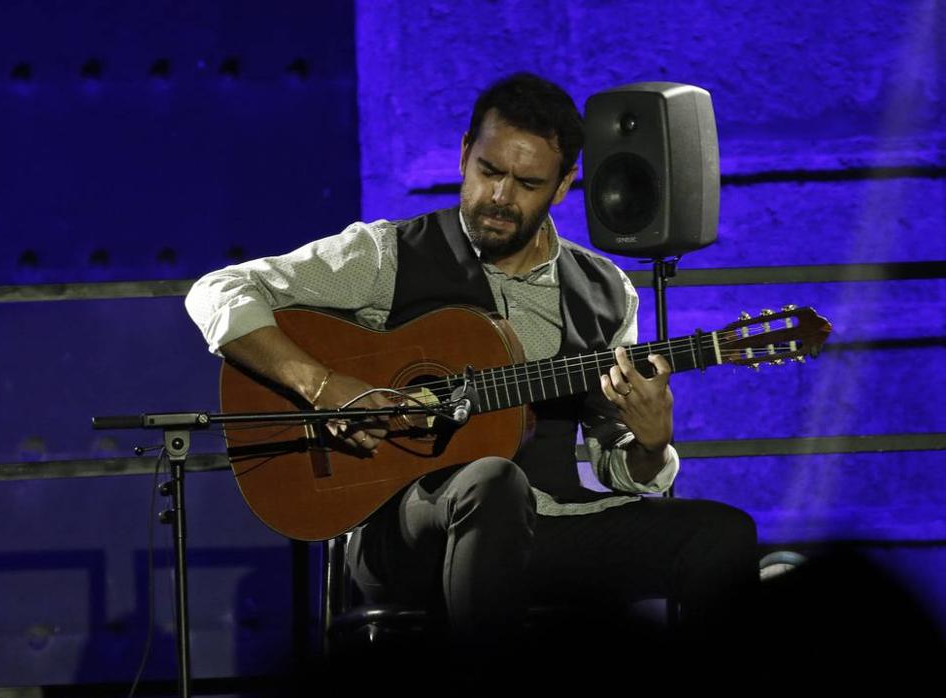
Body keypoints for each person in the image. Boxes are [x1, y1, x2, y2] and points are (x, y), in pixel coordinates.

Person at [185, 72, 757, 661]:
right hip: (408, 531)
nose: (501, 197)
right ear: (464, 155)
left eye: (528, 182)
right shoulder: (389, 254)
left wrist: (651, 443)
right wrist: (325, 384)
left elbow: (616, 459)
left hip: (549, 528)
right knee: (492, 480)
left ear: (564, 187)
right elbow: (218, 290)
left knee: (722, 535)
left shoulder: (606, 291)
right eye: (489, 171)